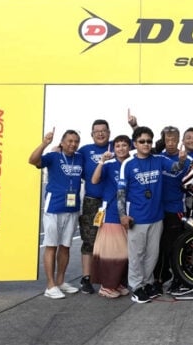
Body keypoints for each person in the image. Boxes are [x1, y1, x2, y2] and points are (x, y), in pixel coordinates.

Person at [117, 126, 187, 304]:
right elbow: (121, 192)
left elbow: (175, 169)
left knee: (152, 255)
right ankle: (136, 287)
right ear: (135, 144)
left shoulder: (159, 159)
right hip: (137, 218)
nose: (146, 144)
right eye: (142, 141)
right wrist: (123, 215)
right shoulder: (128, 164)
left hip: (157, 217)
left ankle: (148, 283)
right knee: (137, 255)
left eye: (149, 141)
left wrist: (181, 160)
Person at [28, 129, 83, 299]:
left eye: (76, 141)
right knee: (51, 245)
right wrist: (45, 143)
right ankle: (50, 285)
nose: (73, 144)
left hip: (72, 209)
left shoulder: (80, 158)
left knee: (65, 246)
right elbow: (32, 160)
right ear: (62, 142)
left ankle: (60, 281)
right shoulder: (53, 157)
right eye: (69, 141)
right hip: (54, 208)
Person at [90, 135, 132, 298]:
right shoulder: (109, 165)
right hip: (111, 214)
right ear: (113, 149)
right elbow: (94, 180)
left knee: (124, 252)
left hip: (128, 212)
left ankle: (117, 283)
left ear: (130, 147)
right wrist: (102, 161)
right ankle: (106, 286)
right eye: (117, 146)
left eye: (124, 145)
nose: (121, 148)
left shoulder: (132, 164)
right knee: (112, 252)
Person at [153, 126, 191, 295]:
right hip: (156, 210)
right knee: (158, 248)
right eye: (167, 140)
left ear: (179, 140)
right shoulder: (157, 157)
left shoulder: (187, 160)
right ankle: (159, 279)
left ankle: (178, 278)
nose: (170, 143)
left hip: (176, 209)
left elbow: (190, 182)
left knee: (174, 247)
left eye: (173, 140)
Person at [77, 119, 112, 294]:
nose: (100, 134)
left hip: (112, 202)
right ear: (91, 134)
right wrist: (58, 148)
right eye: (96, 131)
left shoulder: (117, 146)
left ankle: (110, 277)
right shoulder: (84, 150)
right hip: (92, 201)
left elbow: (139, 142)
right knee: (89, 240)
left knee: (112, 241)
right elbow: (69, 154)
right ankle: (86, 278)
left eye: (103, 130)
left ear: (109, 133)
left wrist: (134, 125)